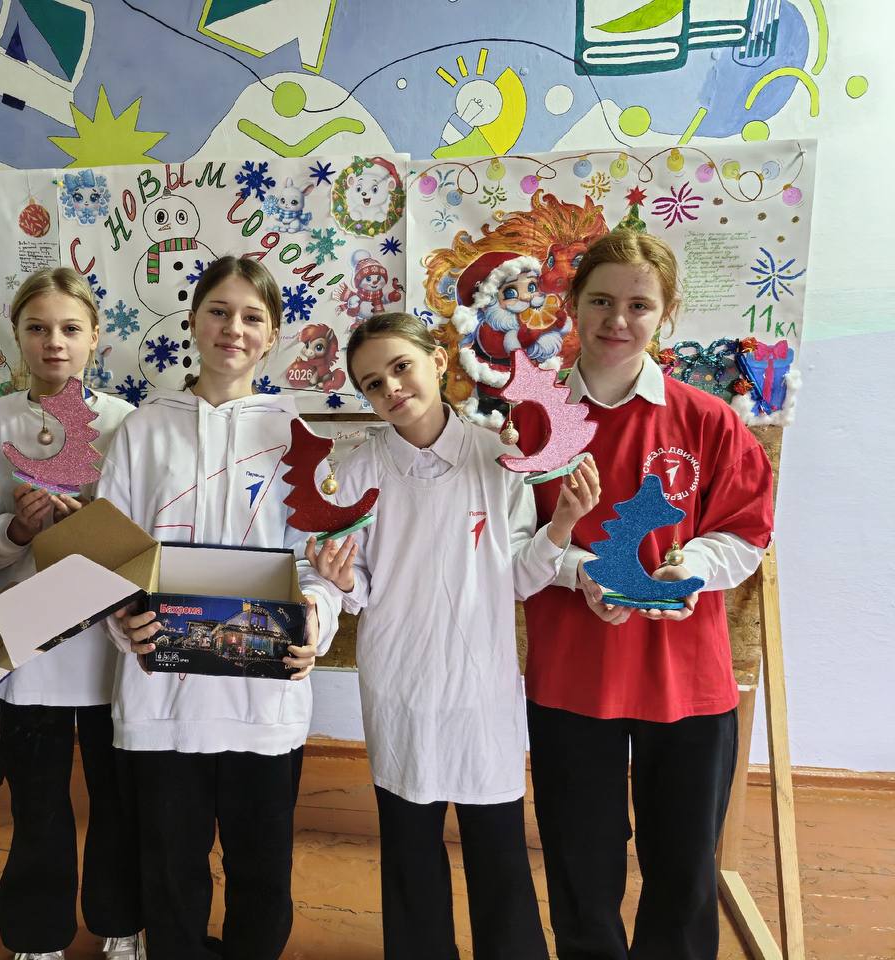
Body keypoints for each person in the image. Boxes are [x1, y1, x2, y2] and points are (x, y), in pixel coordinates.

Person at [305, 310, 599, 959]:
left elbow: (517, 575)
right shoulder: (356, 470)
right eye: (373, 383)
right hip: (399, 682)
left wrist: (561, 526)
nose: (391, 388)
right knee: (409, 846)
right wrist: (343, 580)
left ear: (438, 361)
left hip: (479, 684)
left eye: (401, 367)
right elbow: (363, 584)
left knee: (498, 848)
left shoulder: (499, 456)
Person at [519, 230, 775, 959]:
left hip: (685, 680)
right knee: (579, 862)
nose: (617, 319)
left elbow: (746, 532)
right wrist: (580, 571)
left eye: (639, 304)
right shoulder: (532, 421)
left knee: (684, 868)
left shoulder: (708, 420)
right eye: (601, 300)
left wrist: (691, 566)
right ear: (573, 304)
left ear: (666, 313)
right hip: (574, 675)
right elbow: (510, 543)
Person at [97, 256, 340, 960]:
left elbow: (321, 564)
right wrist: (124, 617)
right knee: (170, 865)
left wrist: (316, 619)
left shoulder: (298, 436)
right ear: (193, 321)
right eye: (219, 311)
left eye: (252, 317)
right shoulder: (144, 429)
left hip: (262, 696)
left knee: (261, 867)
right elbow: (112, 553)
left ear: (273, 335)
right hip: (163, 692)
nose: (234, 328)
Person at [0, 268, 142, 960]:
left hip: (112, 643)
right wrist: (19, 529)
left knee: (118, 798)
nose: (53, 342)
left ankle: (122, 921)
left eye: (69, 328)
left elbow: (146, 538)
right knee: (36, 800)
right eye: (37, 328)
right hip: (29, 641)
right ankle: (37, 934)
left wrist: (91, 523)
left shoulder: (128, 424)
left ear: (94, 336)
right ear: (17, 336)